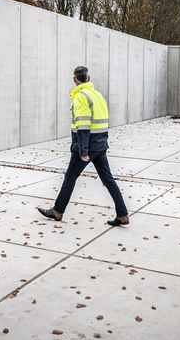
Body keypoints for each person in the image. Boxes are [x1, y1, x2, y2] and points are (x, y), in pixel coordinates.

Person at [38, 66, 129, 227]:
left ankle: (58, 211)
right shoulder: (97, 94)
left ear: (74, 79)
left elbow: (83, 125)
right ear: (89, 77)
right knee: (108, 179)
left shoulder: (81, 96)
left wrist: (83, 150)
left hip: (88, 145)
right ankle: (122, 214)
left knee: (70, 177)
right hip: (100, 144)